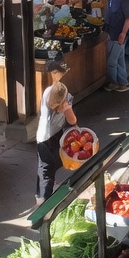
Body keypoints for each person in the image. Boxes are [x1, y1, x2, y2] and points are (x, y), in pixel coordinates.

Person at [35, 61, 76, 205]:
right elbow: (72, 120)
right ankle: (44, 205)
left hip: (42, 137)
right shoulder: (66, 99)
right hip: (53, 137)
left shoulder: (47, 92)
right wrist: (67, 109)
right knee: (48, 171)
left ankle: (40, 195)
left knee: (44, 167)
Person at [103, 0, 129, 92]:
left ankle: (114, 82)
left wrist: (123, 33)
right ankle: (123, 82)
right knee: (119, 59)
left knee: (112, 61)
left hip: (119, 34)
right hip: (112, 33)